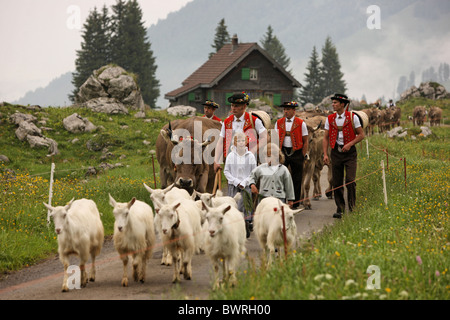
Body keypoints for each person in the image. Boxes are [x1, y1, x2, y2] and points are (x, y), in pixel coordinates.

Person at [322, 93, 365, 219]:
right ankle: (340, 209)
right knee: (337, 181)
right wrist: (325, 154)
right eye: (333, 103)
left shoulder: (352, 118)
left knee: (350, 180)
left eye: (335, 103)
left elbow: (361, 135)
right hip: (336, 153)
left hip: (350, 153)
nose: (333, 105)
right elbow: (325, 138)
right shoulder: (330, 119)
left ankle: (352, 208)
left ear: (342, 104)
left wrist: (350, 144)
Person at [214, 92, 267, 173]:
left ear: (244, 106)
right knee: (232, 183)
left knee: (248, 183)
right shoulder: (227, 122)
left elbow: (265, 137)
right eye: (232, 105)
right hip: (231, 160)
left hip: (249, 160)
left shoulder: (254, 120)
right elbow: (221, 141)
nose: (233, 108)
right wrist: (216, 160)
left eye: (236, 106)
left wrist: (253, 150)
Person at [274, 101, 309, 208]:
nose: (286, 112)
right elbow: (275, 138)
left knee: (297, 178)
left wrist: (302, 155)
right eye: (284, 109)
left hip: (297, 153)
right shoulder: (278, 122)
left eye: (288, 109)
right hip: (283, 152)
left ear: (294, 111)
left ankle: (295, 202)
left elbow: (306, 140)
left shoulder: (301, 122)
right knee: (280, 176)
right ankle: (282, 200)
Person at [224, 132, 257, 237]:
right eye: (238, 141)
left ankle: (246, 223)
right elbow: (226, 171)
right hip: (233, 185)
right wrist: (236, 182)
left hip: (245, 185)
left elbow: (253, 171)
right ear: (235, 142)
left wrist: (244, 182)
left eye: (243, 141)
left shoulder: (250, 156)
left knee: (245, 204)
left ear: (246, 142)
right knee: (234, 204)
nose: (241, 143)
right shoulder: (231, 156)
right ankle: (233, 224)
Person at [248, 142, 295, 207]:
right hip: (264, 199)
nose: (267, 158)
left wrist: (290, 199)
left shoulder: (284, 169)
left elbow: (289, 185)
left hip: (279, 200)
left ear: (276, 156)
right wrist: (252, 185)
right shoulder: (261, 168)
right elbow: (252, 176)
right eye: (265, 156)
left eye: (269, 156)